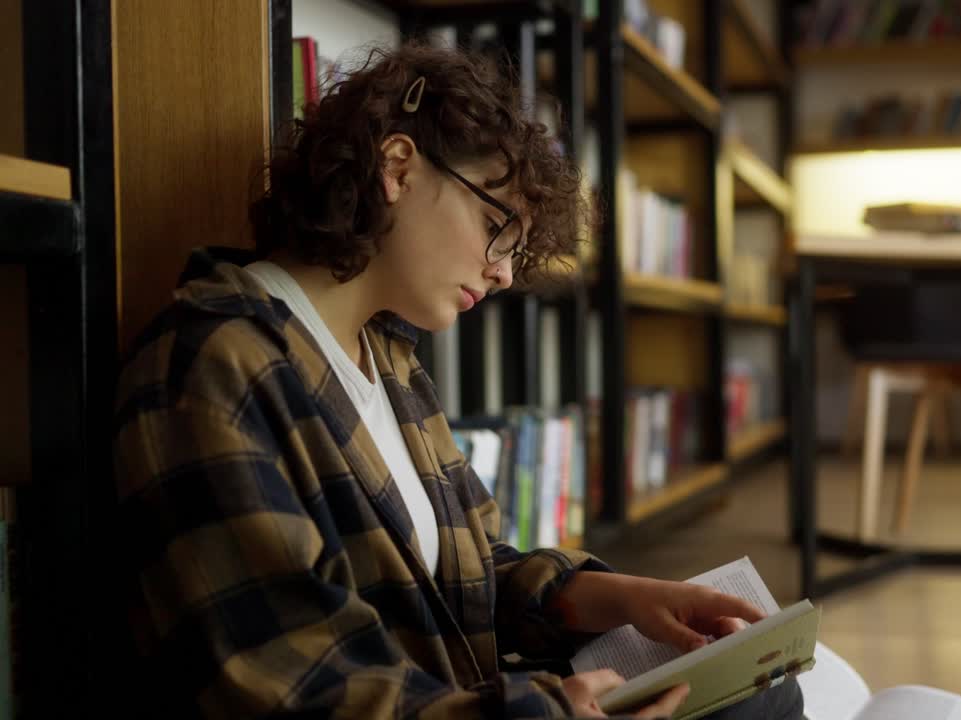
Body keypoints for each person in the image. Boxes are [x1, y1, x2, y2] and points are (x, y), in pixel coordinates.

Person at [112, 41, 802, 719]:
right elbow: (289, 687)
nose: (504, 272)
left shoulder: (388, 358)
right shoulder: (209, 364)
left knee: (761, 682)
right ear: (398, 168)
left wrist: (631, 598)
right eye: (496, 226)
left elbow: (467, 576)